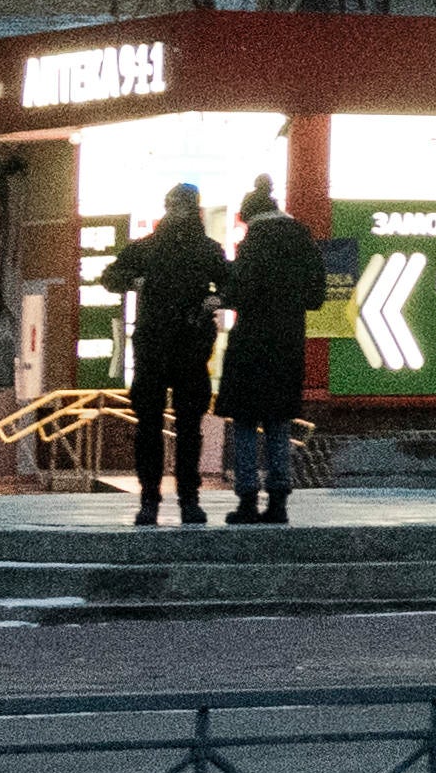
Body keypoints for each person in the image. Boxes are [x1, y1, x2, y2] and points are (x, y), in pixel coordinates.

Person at [105, 184, 229, 526]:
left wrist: (136, 282)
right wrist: (215, 300)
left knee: (159, 427)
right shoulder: (202, 249)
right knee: (177, 429)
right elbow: (112, 276)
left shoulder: (156, 248)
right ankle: (177, 500)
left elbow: (112, 275)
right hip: (179, 348)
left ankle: (161, 500)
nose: (177, 212)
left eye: (179, 206)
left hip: (163, 347)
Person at [223, 189, 329, 525]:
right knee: (278, 422)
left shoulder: (255, 242)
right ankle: (279, 500)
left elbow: (240, 291)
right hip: (288, 344)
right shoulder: (302, 240)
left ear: (251, 216)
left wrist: (224, 297)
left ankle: (247, 499)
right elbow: (315, 297)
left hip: (252, 344)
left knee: (244, 421)